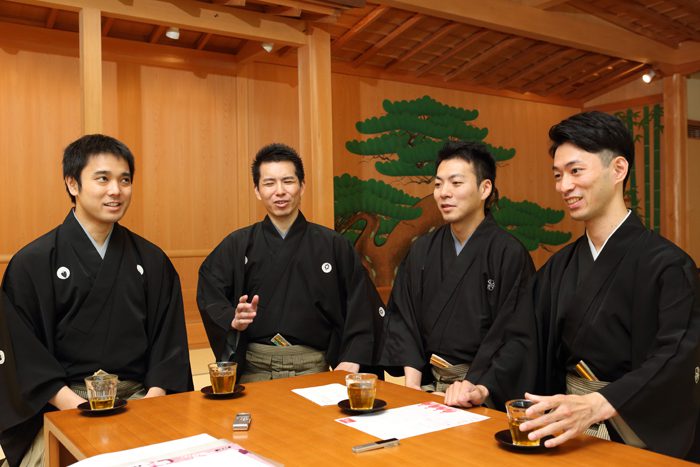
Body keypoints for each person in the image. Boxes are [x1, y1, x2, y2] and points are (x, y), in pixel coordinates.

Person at [0, 135, 193, 467]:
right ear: (73, 184)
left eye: (125, 180)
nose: (115, 190)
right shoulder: (32, 263)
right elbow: (24, 359)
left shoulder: (152, 260)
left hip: (141, 402)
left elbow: (169, 347)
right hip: (63, 408)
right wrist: (77, 407)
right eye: (103, 179)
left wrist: (152, 400)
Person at [518, 111, 700, 460]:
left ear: (618, 169)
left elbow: (676, 356)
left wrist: (603, 402)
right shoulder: (559, 266)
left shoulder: (668, 265)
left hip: (633, 434)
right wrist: (483, 382)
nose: (563, 186)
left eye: (575, 171)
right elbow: (522, 337)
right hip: (570, 429)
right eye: (557, 175)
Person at [197, 143, 384, 383]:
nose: (280, 191)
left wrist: (352, 358)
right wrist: (231, 319)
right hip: (254, 370)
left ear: (302, 185)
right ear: (257, 190)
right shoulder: (238, 244)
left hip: (314, 368)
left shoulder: (333, 245)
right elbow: (209, 289)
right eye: (269, 183)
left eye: (288, 181)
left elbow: (362, 306)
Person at [378, 140, 535, 409]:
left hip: (481, 392)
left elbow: (515, 336)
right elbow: (403, 316)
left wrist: (475, 387)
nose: (443, 193)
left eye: (456, 183)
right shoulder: (423, 249)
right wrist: (413, 384)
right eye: (438, 184)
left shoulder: (508, 253)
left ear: (485, 188)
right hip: (427, 389)